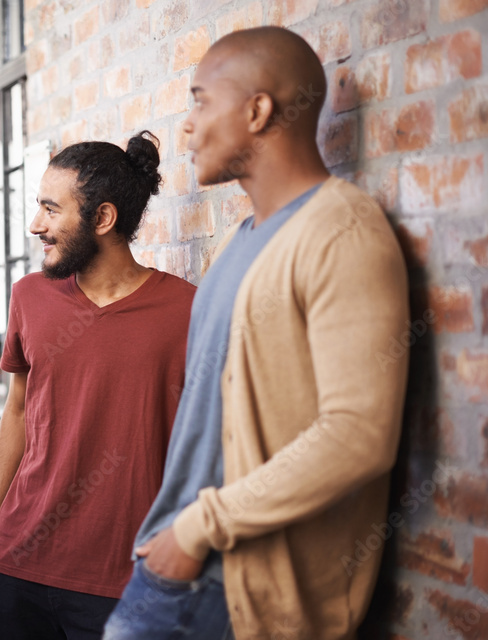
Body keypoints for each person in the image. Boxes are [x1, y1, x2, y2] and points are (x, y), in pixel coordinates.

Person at [104, 27, 410, 640]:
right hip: (178, 566)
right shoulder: (237, 244)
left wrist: (198, 529)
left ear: (258, 110)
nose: (186, 127)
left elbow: (358, 435)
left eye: (200, 100)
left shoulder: (341, 231)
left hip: (237, 586)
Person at [0, 132, 196, 639]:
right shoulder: (29, 297)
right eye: (39, 207)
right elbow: (16, 411)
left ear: (102, 219)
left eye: (51, 210)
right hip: (21, 562)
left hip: (128, 578)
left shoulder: (187, 310)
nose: (37, 226)